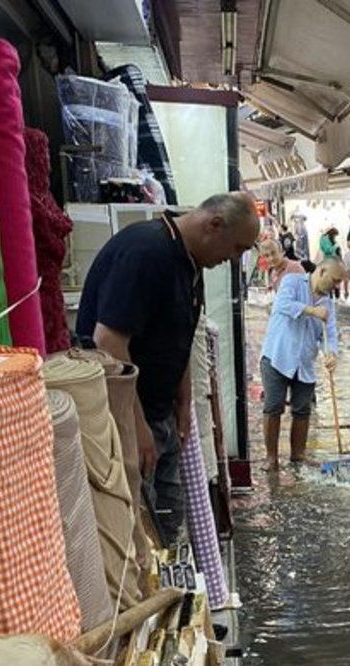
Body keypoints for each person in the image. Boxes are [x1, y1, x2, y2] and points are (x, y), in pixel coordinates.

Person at [76, 191, 260, 543]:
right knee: (141, 528)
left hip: (160, 414)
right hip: (125, 418)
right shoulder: (147, 252)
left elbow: (181, 336)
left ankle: (176, 591)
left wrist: (183, 402)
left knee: (168, 522)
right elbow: (109, 344)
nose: (234, 259)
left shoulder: (189, 261)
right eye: (236, 248)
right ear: (214, 224)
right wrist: (137, 424)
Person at [260, 258, 345, 471]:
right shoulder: (293, 281)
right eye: (334, 281)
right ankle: (271, 458)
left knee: (302, 409)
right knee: (273, 407)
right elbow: (282, 305)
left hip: (304, 362)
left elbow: (331, 333)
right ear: (322, 271)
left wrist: (331, 353)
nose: (335, 287)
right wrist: (311, 311)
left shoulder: (328, 302)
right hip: (277, 356)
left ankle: (298, 454)